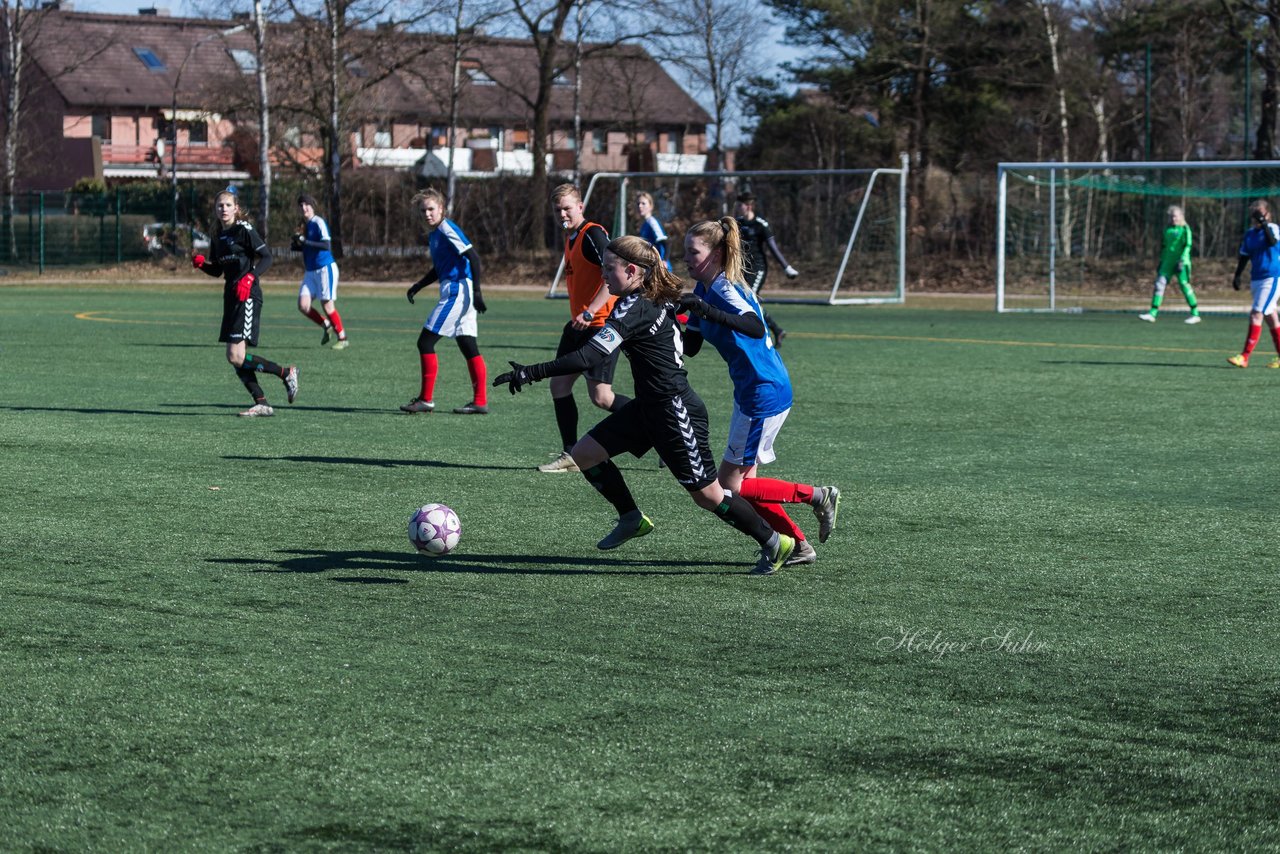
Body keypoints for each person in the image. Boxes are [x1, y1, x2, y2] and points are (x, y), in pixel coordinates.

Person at [494, 236, 797, 575]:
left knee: (709, 496)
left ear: (633, 270)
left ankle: (775, 542)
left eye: (610, 269)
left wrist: (530, 372)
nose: (604, 276)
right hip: (647, 408)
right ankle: (631, 518)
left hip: (674, 410)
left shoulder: (634, 307)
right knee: (583, 455)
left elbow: (589, 356)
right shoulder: (652, 295)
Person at [680, 217, 840, 566]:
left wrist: (704, 309)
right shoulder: (705, 291)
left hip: (763, 391)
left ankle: (818, 496)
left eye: (694, 252)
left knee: (731, 488)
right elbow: (690, 347)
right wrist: (671, 313)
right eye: (685, 253)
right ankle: (799, 546)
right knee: (746, 487)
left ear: (717, 253)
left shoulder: (724, 289)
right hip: (752, 391)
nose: (687, 260)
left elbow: (753, 326)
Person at [537, 183, 630, 472]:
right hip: (579, 325)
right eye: (558, 209)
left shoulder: (593, 234)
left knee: (601, 397)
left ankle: (658, 425)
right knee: (559, 385)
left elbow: (612, 275)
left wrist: (590, 312)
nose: (562, 213)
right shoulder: (572, 238)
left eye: (567, 207)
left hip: (601, 325)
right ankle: (570, 455)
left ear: (580, 207)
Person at [194, 189, 297, 417]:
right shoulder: (217, 235)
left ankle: (285, 373)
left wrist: (250, 278)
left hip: (248, 296)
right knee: (236, 357)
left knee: (235, 356)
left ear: (236, 208)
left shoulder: (245, 230)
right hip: (231, 297)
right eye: (220, 205)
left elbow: (267, 257)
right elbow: (218, 270)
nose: (223, 209)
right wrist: (202, 265)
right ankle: (262, 402)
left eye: (228, 205)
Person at [402, 188, 489, 414]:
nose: (427, 214)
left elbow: (473, 256)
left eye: (431, 209)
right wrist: (419, 285)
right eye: (423, 211)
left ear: (441, 209)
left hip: (458, 290)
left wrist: (478, 292)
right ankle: (480, 402)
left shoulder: (446, 227)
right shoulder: (435, 234)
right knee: (467, 344)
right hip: (458, 288)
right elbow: (440, 268)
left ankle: (426, 400)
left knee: (425, 342)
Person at [735, 191, 798, 346]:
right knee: (746, 301)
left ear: (749, 206)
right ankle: (777, 330)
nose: (738, 207)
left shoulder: (761, 225)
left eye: (741, 205)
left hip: (758, 268)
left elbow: (773, 248)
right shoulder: (737, 223)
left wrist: (786, 267)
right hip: (742, 269)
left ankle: (764, 333)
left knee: (750, 301)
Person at [292, 193, 349, 348]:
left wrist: (305, 241)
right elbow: (305, 246)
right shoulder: (304, 225)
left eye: (307, 204)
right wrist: (297, 243)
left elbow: (326, 246)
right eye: (301, 205)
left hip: (325, 269)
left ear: (312, 206)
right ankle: (326, 324)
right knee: (303, 305)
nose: (304, 208)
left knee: (327, 305)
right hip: (310, 271)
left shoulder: (318, 222)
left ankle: (343, 338)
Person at [1228, 199, 1280, 368]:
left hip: (1271, 278)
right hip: (1256, 278)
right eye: (1254, 215)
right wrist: (1237, 275)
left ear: (1267, 214)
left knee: (1256, 313)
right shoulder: (1250, 233)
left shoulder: (1272, 229)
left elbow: (1272, 242)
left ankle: (1244, 356)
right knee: (1271, 317)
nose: (1257, 218)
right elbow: (1244, 255)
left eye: (1260, 214)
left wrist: (1264, 223)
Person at [1139, 205, 1200, 324]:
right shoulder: (1167, 230)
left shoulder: (1185, 229)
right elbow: (1164, 247)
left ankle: (1195, 314)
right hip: (1167, 263)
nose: (1173, 219)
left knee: (1184, 285)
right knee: (1159, 284)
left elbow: (1187, 246)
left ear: (1181, 217)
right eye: (1171, 217)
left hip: (1181, 262)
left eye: (1175, 216)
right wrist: (1161, 261)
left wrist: (1182, 260)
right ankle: (1152, 313)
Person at [634, 191, 670, 271]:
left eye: (643, 203)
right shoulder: (644, 224)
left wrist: (664, 260)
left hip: (661, 268)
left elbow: (666, 243)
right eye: (638, 204)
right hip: (651, 267)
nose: (640, 206)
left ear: (651, 206)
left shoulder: (652, 222)